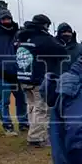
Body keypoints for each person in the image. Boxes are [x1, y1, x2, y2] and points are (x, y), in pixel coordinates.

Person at [15, 14, 69, 147]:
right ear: (45, 25)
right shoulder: (43, 39)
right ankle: (37, 138)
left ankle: (33, 133)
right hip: (38, 78)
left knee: (31, 106)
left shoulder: (21, 37)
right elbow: (62, 52)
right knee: (41, 108)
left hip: (23, 76)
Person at [0, 8, 29, 135]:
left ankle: (24, 123)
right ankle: (7, 126)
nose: (6, 21)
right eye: (4, 19)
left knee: (22, 100)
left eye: (8, 18)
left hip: (18, 73)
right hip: (1, 74)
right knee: (5, 101)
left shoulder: (18, 34)